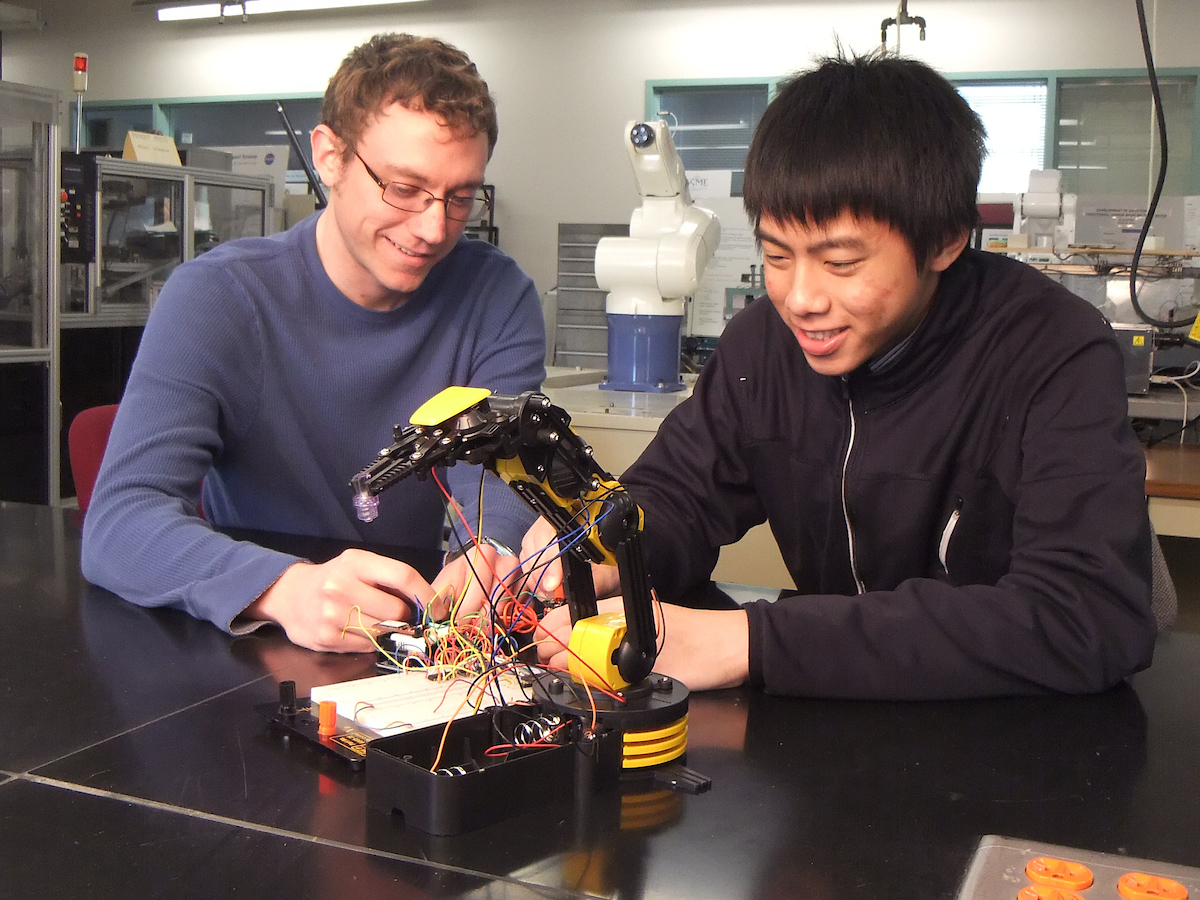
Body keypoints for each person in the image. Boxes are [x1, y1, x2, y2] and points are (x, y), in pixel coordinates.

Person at [529, 52, 1158, 699]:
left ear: (946, 238)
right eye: (777, 256)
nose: (800, 299)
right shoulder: (762, 348)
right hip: (829, 729)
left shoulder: (1053, 350)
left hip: (1007, 740)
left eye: (840, 262)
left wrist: (751, 641)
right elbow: (677, 494)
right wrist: (598, 545)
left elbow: (1087, 613)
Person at [82, 33, 544, 652]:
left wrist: (488, 554)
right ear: (329, 157)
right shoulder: (218, 297)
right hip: (252, 653)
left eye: (461, 197)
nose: (435, 228)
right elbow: (120, 522)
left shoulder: (498, 296)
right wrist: (281, 587)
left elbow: (497, 483)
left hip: (406, 644)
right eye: (404, 188)